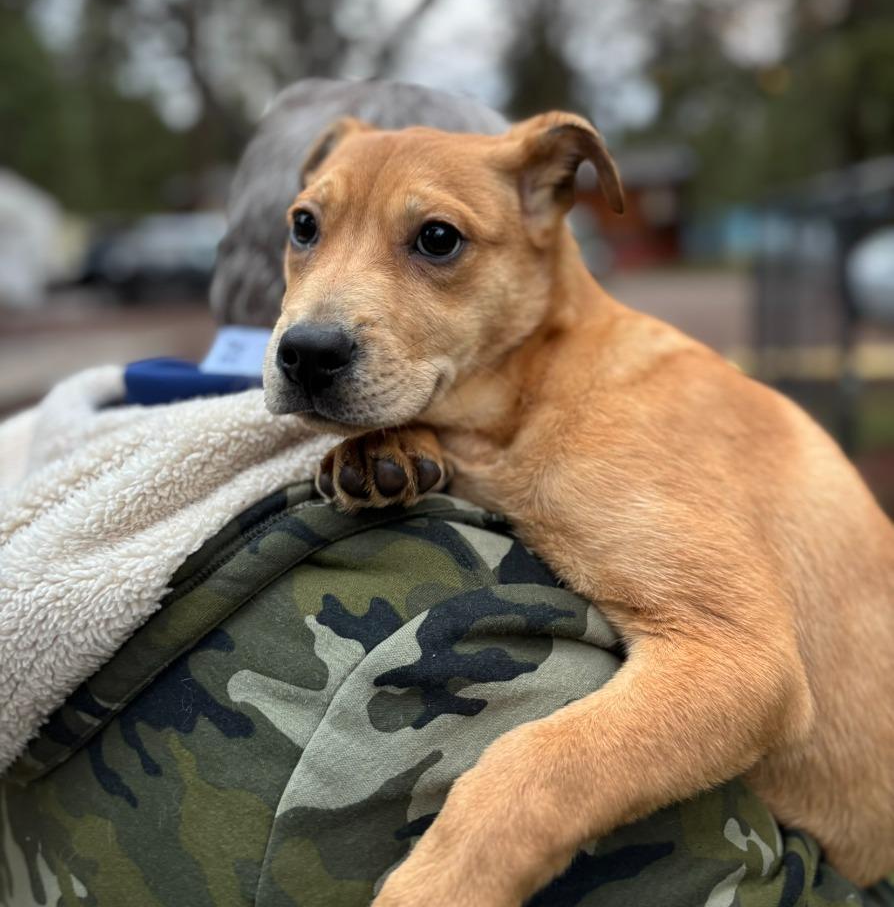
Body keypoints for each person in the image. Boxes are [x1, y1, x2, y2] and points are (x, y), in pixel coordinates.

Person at [1, 80, 891, 907]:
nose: (320, 314)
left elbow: (745, 672)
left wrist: (482, 845)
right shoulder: (485, 405)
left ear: (545, 202)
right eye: (309, 230)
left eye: (434, 241)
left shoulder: (633, 410)